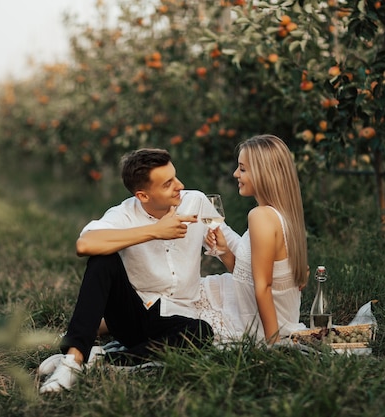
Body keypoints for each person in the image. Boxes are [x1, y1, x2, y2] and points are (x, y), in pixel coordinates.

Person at [38, 148, 239, 394]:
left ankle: (98, 360)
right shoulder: (123, 214)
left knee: (201, 333)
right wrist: (156, 231)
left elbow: (236, 255)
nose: (180, 185)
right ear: (143, 195)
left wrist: (227, 252)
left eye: (175, 177)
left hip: (177, 316)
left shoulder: (196, 201)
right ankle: (72, 361)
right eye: (168, 184)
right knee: (103, 259)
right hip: (134, 314)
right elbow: (85, 245)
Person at [195, 134, 308, 344]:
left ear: (265, 173)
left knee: (166, 304)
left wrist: (273, 345)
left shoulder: (261, 216)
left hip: (260, 325)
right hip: (257, 310)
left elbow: (263, 287)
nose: (235, 173)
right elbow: (250, 279)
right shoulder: (284, 216)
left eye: (243, 169)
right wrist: (225, 252)